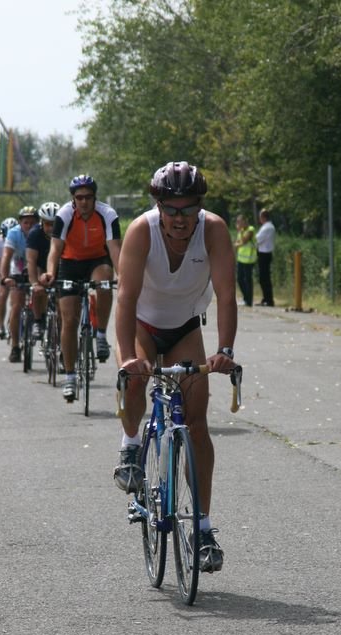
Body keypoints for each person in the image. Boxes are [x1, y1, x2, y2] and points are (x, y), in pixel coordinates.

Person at [113, 161, 237, 573]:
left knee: (197, 424)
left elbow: (225, 295)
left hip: (184, 327)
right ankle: (131, 447)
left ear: (199, 207)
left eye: (189, 209)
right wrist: (127, 359)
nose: (180, 219)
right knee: (135, 383)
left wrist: (224, 349)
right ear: (159, 207)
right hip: (143, 327)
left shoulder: (214, 230)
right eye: (172, 209)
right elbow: (126, 299)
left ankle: (202, 529)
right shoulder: (140, 230)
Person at [40, 175, 121, 402]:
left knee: (105, 282)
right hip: (70, 263)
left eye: (88, 197)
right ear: (73, 199)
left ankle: (102, 334)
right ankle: (70, 377)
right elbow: (55, 249)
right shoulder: (64, 215)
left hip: (97, 259)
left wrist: (122, 274)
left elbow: (114, 248)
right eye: (79, 198)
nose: (84, 202)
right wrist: (50, 273)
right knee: (69, 319)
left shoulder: (108, 214)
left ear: (95, 198)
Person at [0, 206, 38, 362]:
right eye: (25, 222)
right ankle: (15, 346)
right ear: (20, 223)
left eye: (32, 222)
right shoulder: (14, 233)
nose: (29, 226)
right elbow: (6, 256)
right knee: (16, 307)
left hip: (37, 268)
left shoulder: (41, 233)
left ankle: (41, 324)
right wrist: (4, 278)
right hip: (18, 270)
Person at [26, 202, 60, 340]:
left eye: (54, 224)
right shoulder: (35, 234)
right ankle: (38, 320)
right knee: (38, 289)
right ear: (41, 222)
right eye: (48, 224)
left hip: (60, 266)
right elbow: (31, 261)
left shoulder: (66, 232)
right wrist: (34, 284)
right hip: (40, 265)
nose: (51, 228)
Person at [0, 217, 17, 339]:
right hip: (4, 270)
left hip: (18, 269)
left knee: (16, 301)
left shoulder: (21, 238)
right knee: (2, 296)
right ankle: (1, 326)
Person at [234, 214, 256, 306]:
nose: (238, 224)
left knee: (248, 280)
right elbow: (237, 242)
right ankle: (245, 298)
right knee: (239, 279)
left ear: (244, 221)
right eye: (237, 222)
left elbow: (244, 241)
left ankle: (249, 300)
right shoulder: (242, 231)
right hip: (241, 258)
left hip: (249, 259)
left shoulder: (250, 229)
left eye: (239, 222)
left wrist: (240, 231)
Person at [256, 208, 276, 307]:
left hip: (264, 254)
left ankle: (268, 299)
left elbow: (257, 239)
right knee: (263, 278)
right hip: (264, 253)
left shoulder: (267, 227)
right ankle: (266, 298)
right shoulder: (268, 226)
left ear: (263, 217)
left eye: (260, 217)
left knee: (264, 278)